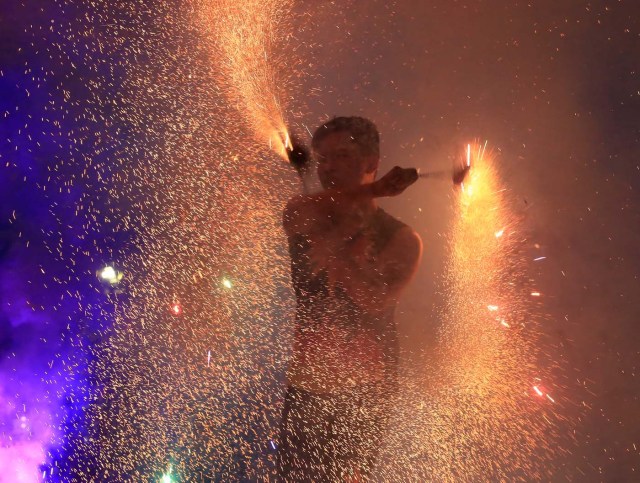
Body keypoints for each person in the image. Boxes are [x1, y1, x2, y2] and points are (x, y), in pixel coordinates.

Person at [277, 116, 422, 481]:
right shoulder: (304, 212)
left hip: (364, 394)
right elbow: (294, 213)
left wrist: (337, 252)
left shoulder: (401, 238)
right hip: (305, 389)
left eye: (341, 156)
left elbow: (375, 302)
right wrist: (373, 192)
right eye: (322, 158)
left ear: (371, 162)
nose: (328, 167)